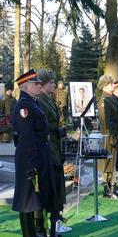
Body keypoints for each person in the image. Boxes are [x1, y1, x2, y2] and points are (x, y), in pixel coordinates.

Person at [12, 69, 56, 237]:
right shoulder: (24, 106)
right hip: (29, 159)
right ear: (25, 86)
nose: (39, 85)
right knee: (27, 200)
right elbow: (27, 138)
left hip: (40, 156)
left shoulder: (33, 103)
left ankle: (40, 231)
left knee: (38, 198)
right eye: (35, 83)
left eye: (39, 83)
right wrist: (32, 164)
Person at [36, 70, 71, 236]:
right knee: (46, 191)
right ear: (42, 85)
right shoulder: (39, 101)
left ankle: (54, 226)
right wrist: (57, 130)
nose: (54, 85)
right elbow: (41, 126)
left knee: (56, 190)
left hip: (55, 149)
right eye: (51, 83)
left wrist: (60, 130)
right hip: (48, 150)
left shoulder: (48, 99)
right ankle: (42, 228)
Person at [97, 75, 118, 198]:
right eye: (112, 83)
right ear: (106, 85)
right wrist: (115, 129)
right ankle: (107, 188)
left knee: (113, 161)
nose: (114, 85)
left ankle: (112, 185)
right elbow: (105, 122)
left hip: (114, 133)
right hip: (108, 135)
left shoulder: (111, 98)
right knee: (107, 162)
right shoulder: (104, 100)